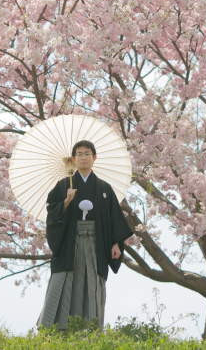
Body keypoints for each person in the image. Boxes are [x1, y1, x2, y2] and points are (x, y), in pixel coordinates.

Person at [37, 140, 133, 330]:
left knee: (91, 283)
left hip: (96, 244)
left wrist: (115, 242)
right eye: (79, 154)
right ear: (73, 159)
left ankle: (89, 329)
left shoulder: (105, 188)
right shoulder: (64, 185)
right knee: (63, 281)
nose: (83, 157)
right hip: (69, 244)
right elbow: (52, 213)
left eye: (87, 153)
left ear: (94, 158)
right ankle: (54, 328)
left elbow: (115, 217)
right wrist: (66, 201)